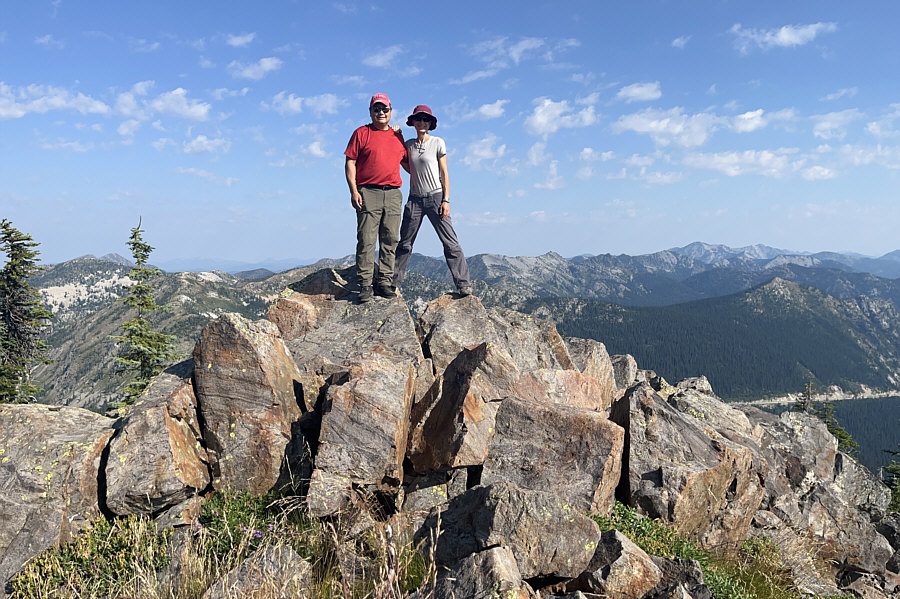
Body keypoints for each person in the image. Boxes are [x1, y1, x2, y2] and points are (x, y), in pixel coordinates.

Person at [392, 105, 472, 296]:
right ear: (413, 122)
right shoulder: (409, 144)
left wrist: (446, 200)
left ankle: (463, 284)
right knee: (405, 243)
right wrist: (396, 136)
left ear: (430, 123)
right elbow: (409, 166)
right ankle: (393, 283)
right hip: (415, 199)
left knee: (450, 242)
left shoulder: (437, 142)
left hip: (436, 197)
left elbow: (444, 172)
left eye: (425, 119)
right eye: (418, 119)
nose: (422, 122)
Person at [344, 93, 408, 303]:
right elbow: (350, 162)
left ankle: (384, 282)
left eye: (385, 109)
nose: (381, 113)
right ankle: (364, 284)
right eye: (376, 109)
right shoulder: (361, 133)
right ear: (370, 112)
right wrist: (354, 191)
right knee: (367, 240)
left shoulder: (398, 136)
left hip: (392, 194)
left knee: (390, 239)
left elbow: (408, 165)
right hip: (368, 192)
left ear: (391, 111)